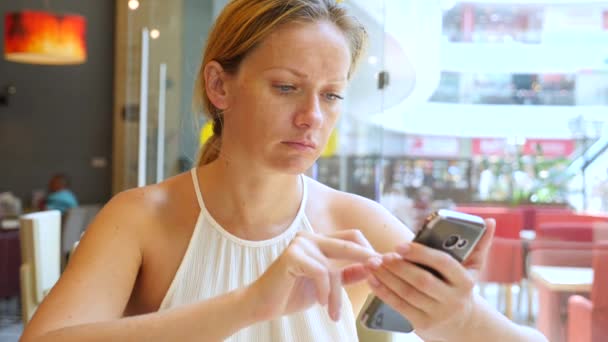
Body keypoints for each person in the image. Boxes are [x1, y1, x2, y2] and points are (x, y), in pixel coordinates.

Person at [21, 1, 547, 341]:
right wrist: (249, 304)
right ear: (219, 86)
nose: (312, 117)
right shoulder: (141, 218)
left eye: (332, 94)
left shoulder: (355, 222)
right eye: (286, 87)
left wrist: (460, 317)